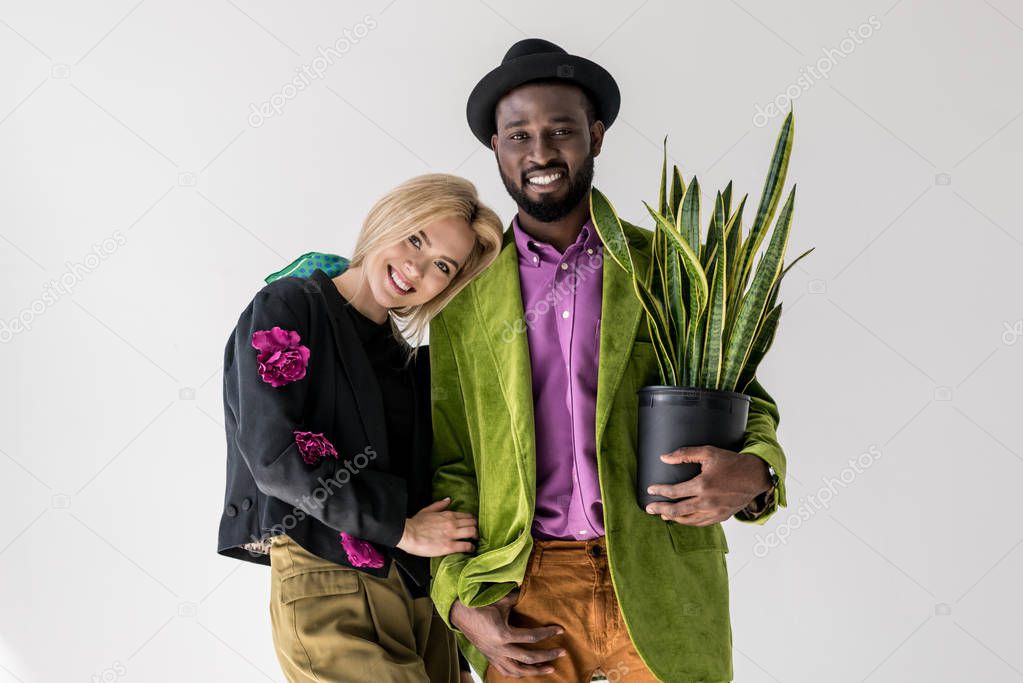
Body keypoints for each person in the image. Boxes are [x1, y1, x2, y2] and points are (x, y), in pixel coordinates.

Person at [428, 39, 787, 682]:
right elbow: (451, 458)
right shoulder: (462, 297)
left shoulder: (670, 267)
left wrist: (758, 472)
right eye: (519, 135)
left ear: (595, 136)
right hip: (524, 587)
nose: (540, 153)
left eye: (561, 130)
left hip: (662, 571)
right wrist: (456, 599)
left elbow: (745, 399)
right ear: (496, 148)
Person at [218, 173, 504, 682]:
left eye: (442, 265)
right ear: (388, 217)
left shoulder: (410, 362)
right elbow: (274, 452)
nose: (416, 267)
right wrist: (404, 528)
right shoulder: (292, 305)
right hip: (327, 574)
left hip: (419, 595)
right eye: (416, 237)